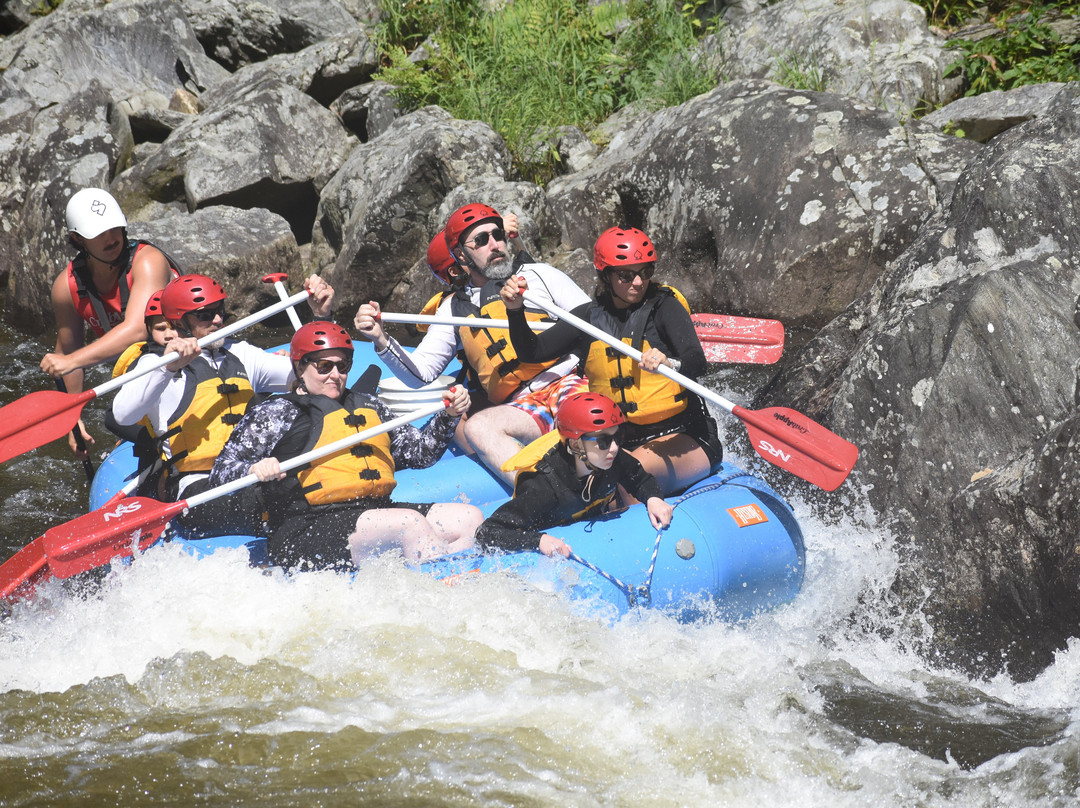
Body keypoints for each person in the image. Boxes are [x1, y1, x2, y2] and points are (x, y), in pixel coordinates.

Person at [208, 321, 483, 569]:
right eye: (324, 366)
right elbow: (220, 472)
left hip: (373, 513)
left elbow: (421, 453)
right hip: (306, 528)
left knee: (469, 518)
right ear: (300, 368)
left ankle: (450, 580)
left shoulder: (370, 405)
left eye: (343, 366)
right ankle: (437, 590)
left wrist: (449, 416)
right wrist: (254, 469)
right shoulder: (276, 412)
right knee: (409, 525)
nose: (335, 375)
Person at [354, 204, 591, 487]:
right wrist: (380, 339)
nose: (494, 244)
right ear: (461, 255)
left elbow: (592, 318)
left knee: (582, 417)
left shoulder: (539, 274)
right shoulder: (453, 309)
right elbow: (420, 374)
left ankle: (591, 472)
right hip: (520, 404)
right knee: (478, 426)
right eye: (481, 240)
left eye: (498, 235)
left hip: (568, 381)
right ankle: (540, 491)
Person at [500, 226, 723, 497]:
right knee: (550, 486)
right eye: (627, 275)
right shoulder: (588, 318)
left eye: (645, 272)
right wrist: (515, 311)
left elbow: (697, 361)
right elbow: (532, 353)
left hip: (682, 434)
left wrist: (671, 363)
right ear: (606, 275)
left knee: (619, 488)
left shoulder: (665, 308)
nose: (638, 283)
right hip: (616, 438)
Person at [111, 272, 335, 515]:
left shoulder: (241, 353)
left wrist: (321, 317)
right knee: (280, 500)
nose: (218, 320)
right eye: (206, 315)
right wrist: (168, 367)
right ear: (179, 323)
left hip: (253, 471)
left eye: (221, 311)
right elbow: (123, 415)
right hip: (195, 486)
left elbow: (313, 377)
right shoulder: (155, 363)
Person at [41, 187, 180, 457]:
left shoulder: (148, 261)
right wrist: (72, 416)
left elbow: (139, 329)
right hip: (143, 369)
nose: (111, 238)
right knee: (114, 419)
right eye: (99, 234)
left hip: (184, 355)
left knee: (115, 419)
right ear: (78, 239)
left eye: (114, 228)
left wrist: (72, 361)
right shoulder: (66, 287)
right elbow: (67, 353)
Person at [475, 393, 673, 557]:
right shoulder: (542, 487)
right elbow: (487, 533)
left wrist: (653, 497)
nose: (614, 448)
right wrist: (538, 540)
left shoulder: (612, 459)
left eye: (618, 436)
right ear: (576, 445)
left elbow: (639, 479)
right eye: (603, 441)